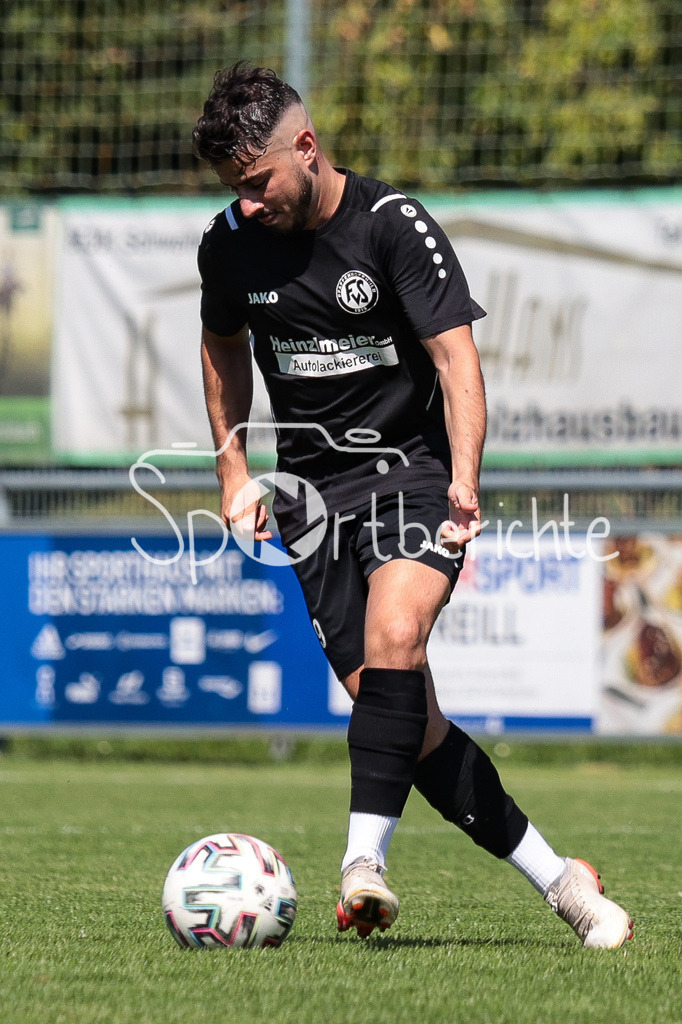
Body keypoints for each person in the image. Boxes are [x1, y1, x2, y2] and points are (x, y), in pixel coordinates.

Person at [192, 61, 633, 948]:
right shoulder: (231, 243)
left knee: (397, 642)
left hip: (411, 477)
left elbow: (456, 362)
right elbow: (221, 343)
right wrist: (232, 472)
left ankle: (363, 864)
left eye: (257, 182)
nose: (250, 203)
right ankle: (562, 880)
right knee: (403, 720)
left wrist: (465, 478)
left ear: (306, 149)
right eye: (234, 190)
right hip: (309, 502)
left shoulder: (393, 227)